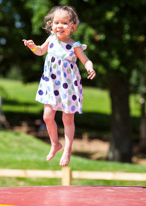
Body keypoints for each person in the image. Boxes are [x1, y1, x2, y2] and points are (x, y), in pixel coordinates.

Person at [22, 5, 96, 166]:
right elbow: (41, 51)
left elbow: (85, 60)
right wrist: (32, 46)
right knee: (47, 116)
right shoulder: (51, 39)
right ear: (51, 25)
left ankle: (68, 150)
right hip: (51, 84)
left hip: (68, 86)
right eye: (56, 22)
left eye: (64, 23)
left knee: (67, 119)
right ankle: (55, 143)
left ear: (72, 27)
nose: (59, 26)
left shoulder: (75, 46)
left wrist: (89, 67)